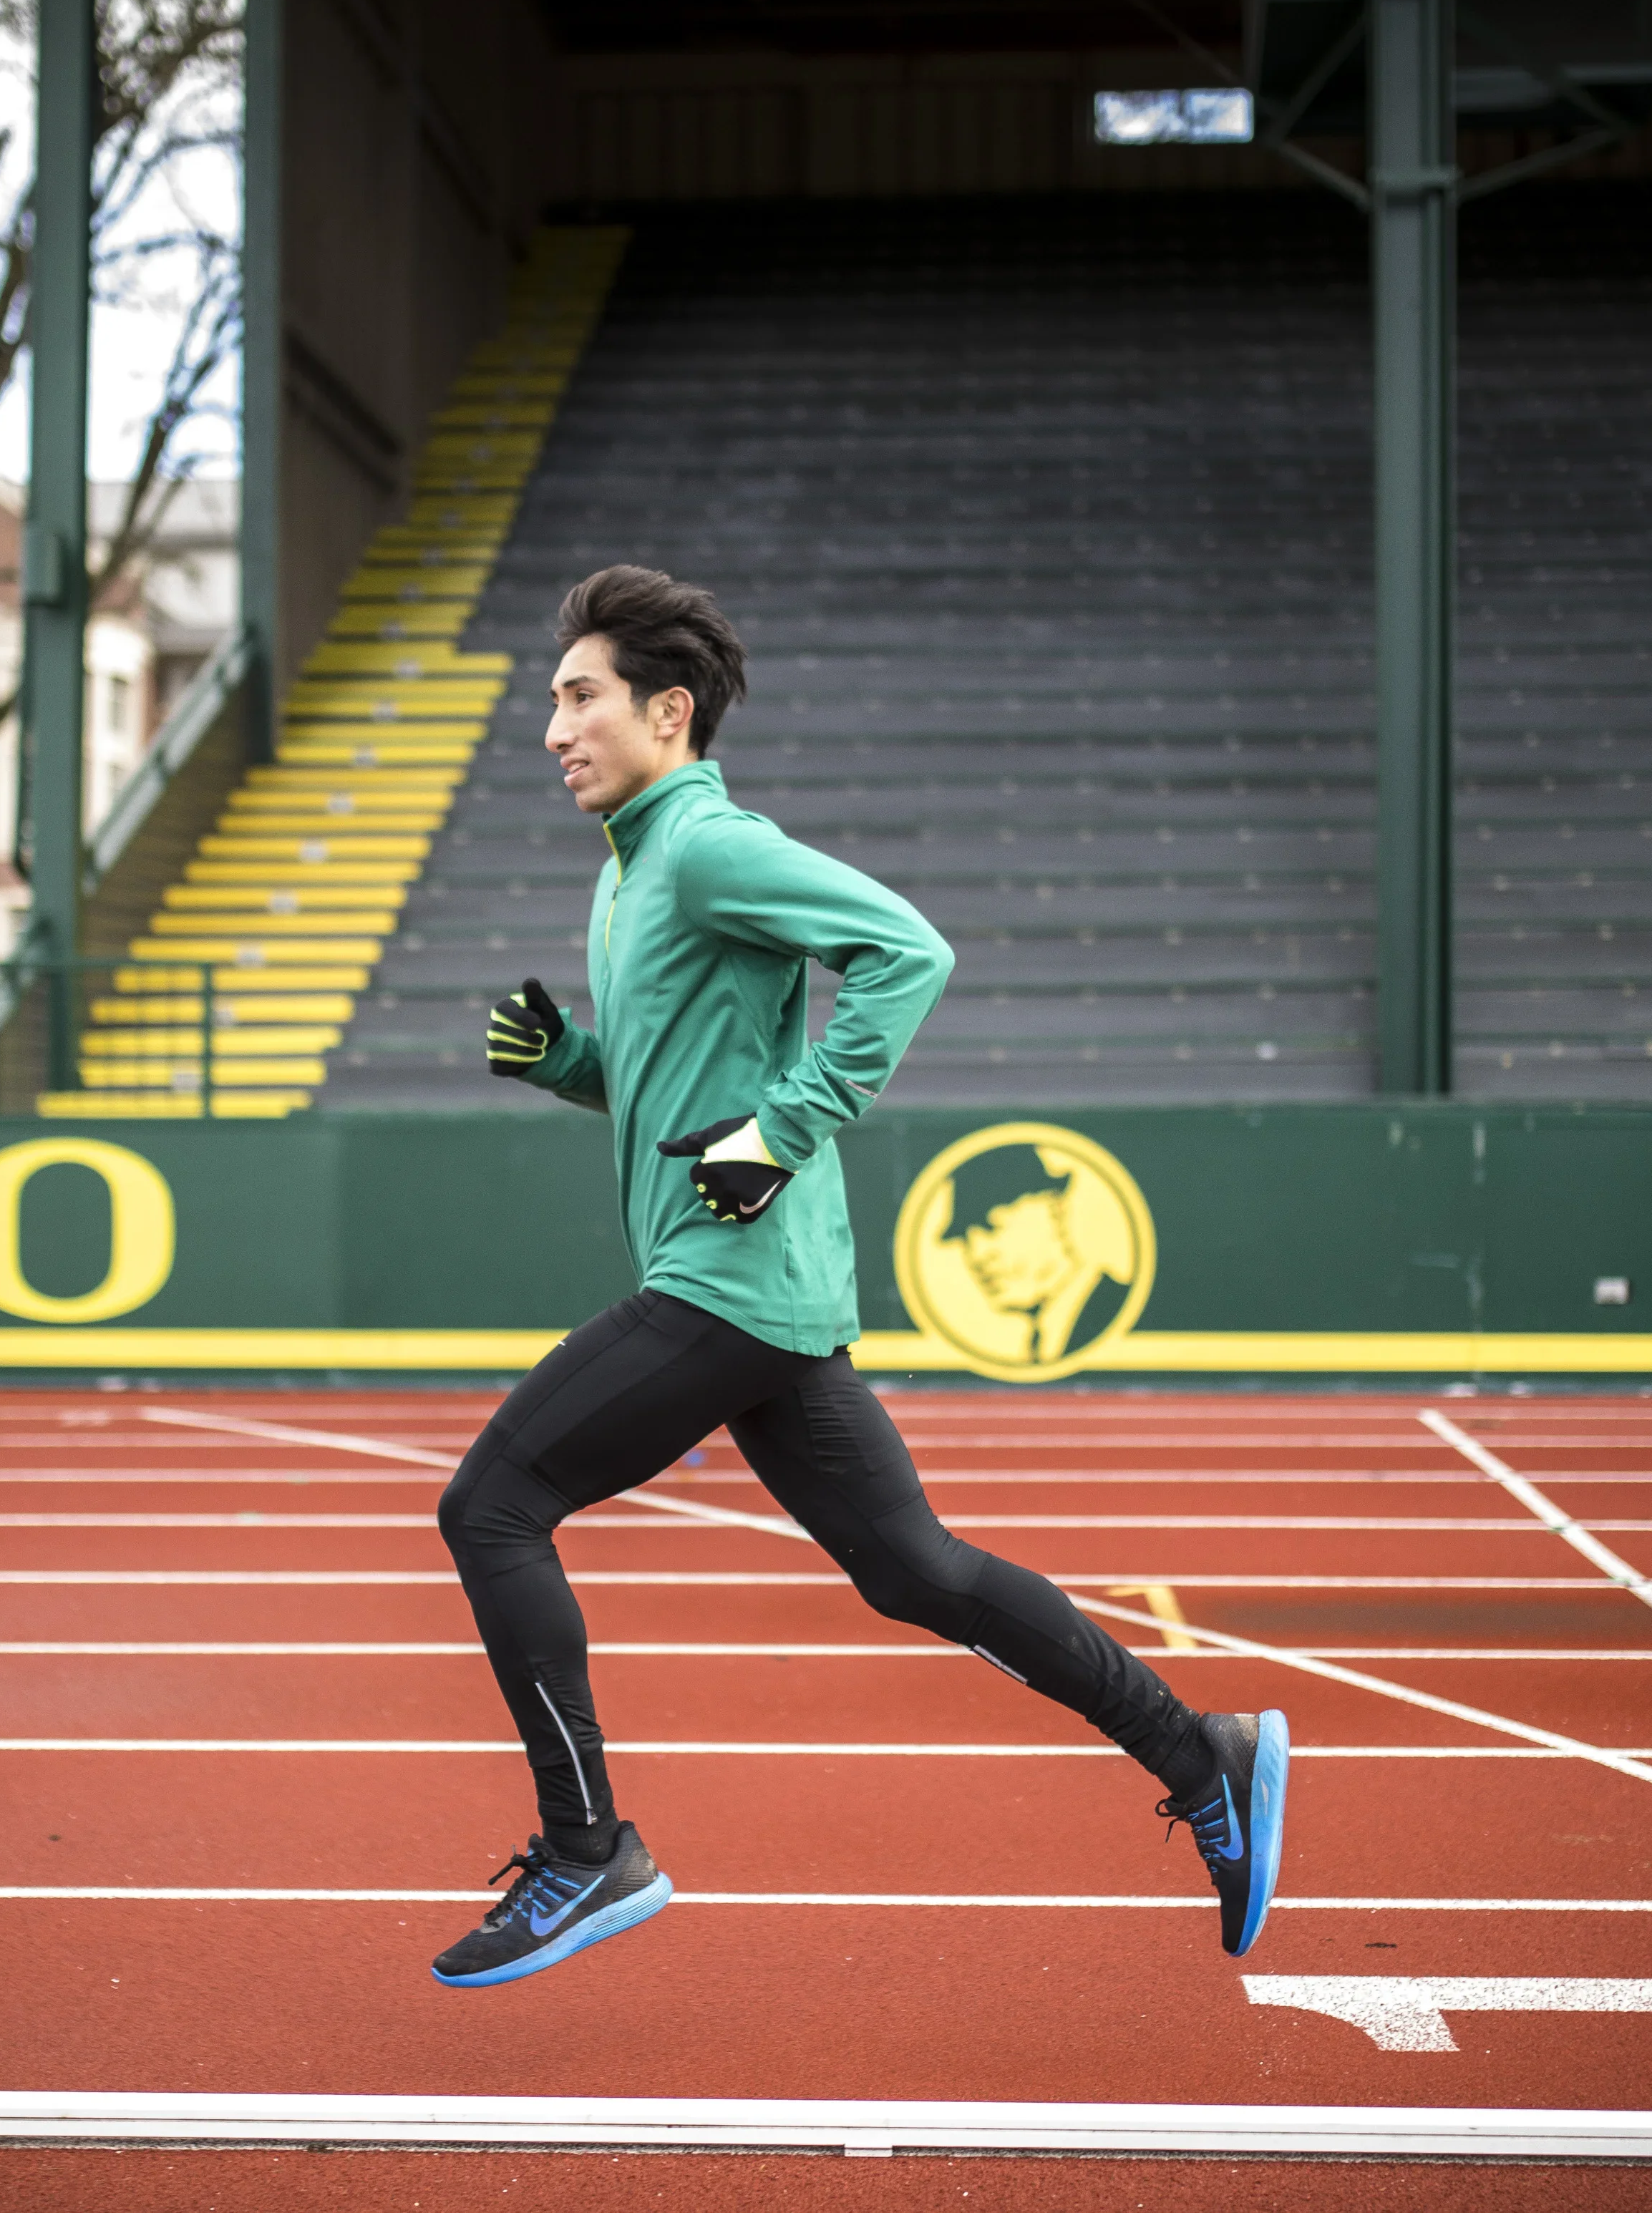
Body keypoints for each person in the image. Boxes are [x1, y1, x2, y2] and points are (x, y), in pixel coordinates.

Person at [430, 563, 1288, 1990]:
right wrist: (572, 1066)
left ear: (670, 710)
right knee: (912, 1570)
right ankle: (1197, 1750)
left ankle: (587, 1850)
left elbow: (907, 951)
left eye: (580, 697)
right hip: (753, 1291)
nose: (552, 729)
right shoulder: (630, 871)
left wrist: (789, 1124)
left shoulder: (706, 845)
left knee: (494, 1505)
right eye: (553, 700)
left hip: (728, 1282)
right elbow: (678, 1087)